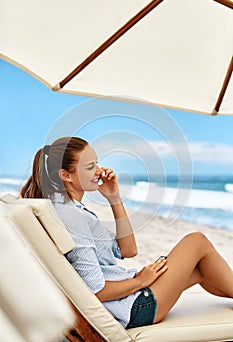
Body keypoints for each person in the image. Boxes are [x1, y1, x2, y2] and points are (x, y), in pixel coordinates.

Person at [20, 136, 233, 329]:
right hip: (136, 306)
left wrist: (114, 198)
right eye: (90, 167)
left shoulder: (71, 209)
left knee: (202, 268)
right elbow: (96, 292)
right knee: (197, 241)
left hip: (131, 296)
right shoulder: (71, 216)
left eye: (97, 162)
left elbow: (128, 250)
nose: (99, 171)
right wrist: (141, 281)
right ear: (65, 175)